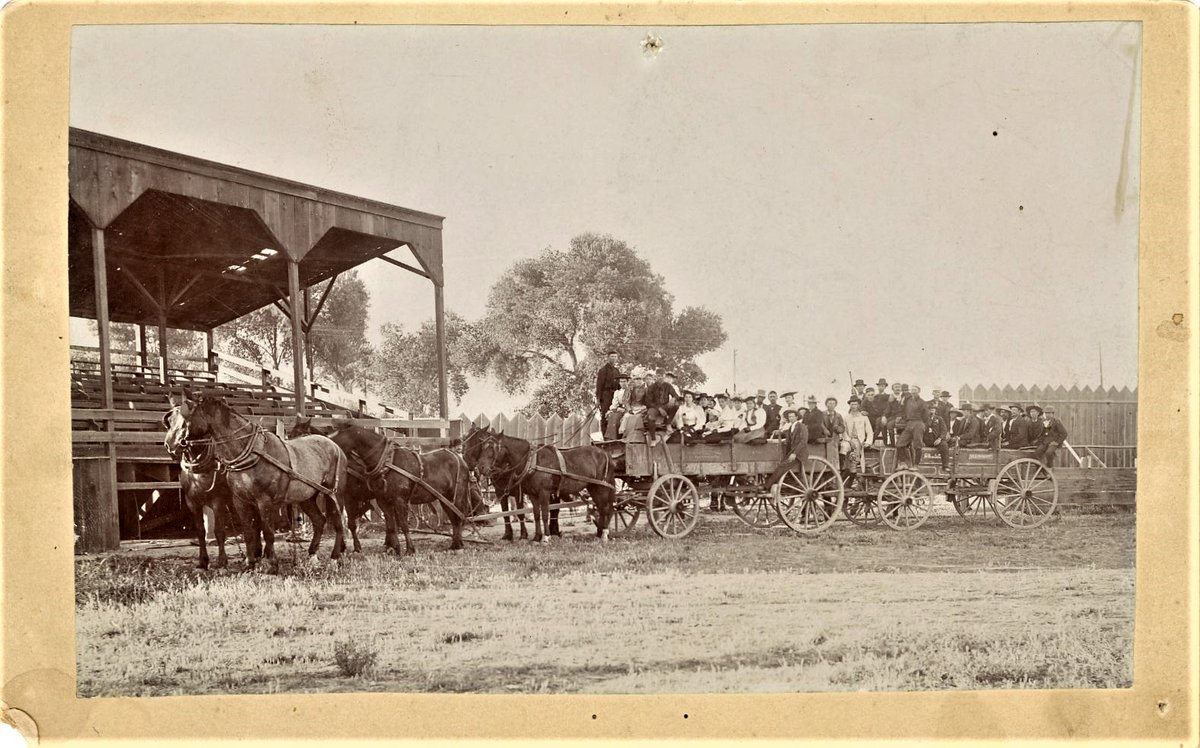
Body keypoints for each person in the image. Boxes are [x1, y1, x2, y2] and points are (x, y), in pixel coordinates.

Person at [764, 409, 810, 488]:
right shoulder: (791, 427)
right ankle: (775, 485)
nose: (791, 418)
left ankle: (767, 486)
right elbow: (788, 438)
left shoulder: (802, 426)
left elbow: (803, 441)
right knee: (780, 465)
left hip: (799, 454)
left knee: (782, 466)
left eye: (792, 416)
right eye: (789, 417)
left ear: (796, 417)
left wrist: (794, 453)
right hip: (791, 452)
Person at [844, 396, 874, 486]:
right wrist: (849, 440)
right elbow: (844, 432)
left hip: (859, 441)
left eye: (855, 404)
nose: (853, 406)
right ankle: (847, 479)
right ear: (849, 405)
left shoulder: (863, 417)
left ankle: (851, 482)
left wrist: (868, 442)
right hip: (848, 441)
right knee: (846, 457)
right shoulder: (846, 417)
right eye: (852, 404)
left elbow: (869, 431)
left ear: (858, 405)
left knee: (854, 461)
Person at [895, 386, 927, 468]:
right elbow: (904, 411)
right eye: (912, 390)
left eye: (915, 390)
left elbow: (926, 416)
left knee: (918, 445)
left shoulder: (922, 402)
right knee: (899, 444)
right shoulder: (908, 401)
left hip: (918, 423)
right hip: (909, 423)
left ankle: (916, 465)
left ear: (919, 391)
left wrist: (920, 424)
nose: (913, 391)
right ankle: (904, 462)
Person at [643, 369, 676, 445]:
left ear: (664, 376)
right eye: (658, 376)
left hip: (666, 406)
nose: (660, 377)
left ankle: (668, 424)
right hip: (655, 407)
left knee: (676, 405)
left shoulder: (668, 386)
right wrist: (659, 409)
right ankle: (653, 439)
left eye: (662, 376)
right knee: (650, 416)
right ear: (656, 377)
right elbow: (648, 402)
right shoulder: (651, 387)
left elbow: (676, 395)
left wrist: (673, 398)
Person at [595, 350, 622, 435]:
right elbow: (599, 385)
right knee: (605, 415)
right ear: (608, 358)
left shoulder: (617, 370)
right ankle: (604, 436)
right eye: (612, 357)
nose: (613, 358)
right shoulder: (603, 370)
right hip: (606, 395)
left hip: (615, 395)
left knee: (615, 414)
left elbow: (619, 384)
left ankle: (614, 436)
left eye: (615, 357)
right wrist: (598, 400)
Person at [603, 373, 631, 440]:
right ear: (619, 383)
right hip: (620, 409)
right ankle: (611, 437)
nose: (623, 383)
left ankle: (618, 437)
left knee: (616, 417)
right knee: (612, 415)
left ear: (627, 382)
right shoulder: (618, 392)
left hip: (629, 409)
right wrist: (614, 409)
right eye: (621, 382)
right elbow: (614, 405)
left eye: (624, 381)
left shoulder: (630, 391)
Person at [925, 403, 950, 471]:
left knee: (944, 445)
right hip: (927, 441)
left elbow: (944, 430)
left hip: (937, 440)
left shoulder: (939, 419)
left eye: (932, 410)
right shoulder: (924, 419)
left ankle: (945, 466)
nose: (931, 411)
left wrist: (939, 439)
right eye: (930, 410)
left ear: (935, 411)